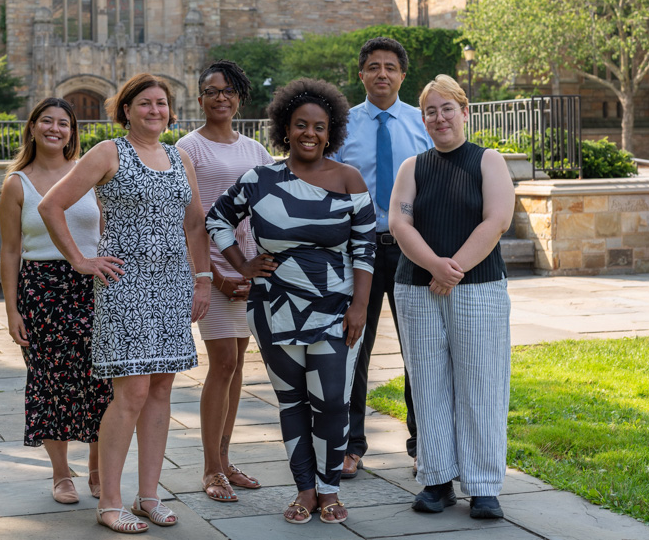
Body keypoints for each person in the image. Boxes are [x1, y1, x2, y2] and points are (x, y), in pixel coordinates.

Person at [38, 74, 212, 534]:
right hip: (125, 286)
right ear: (127, 109)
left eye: (162, 103)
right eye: (145, 104)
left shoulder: (180, 158)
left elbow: (195, 225)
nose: (155, 110)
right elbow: (51, 206)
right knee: (130, 393)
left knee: (160, 391)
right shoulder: (109, 153)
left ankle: (148, 496)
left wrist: (203, 280)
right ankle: (109, 501)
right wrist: (80, 260)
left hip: (173, 285)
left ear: (170, 111)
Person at [206, 77, 375, 525]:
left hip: (335, 309)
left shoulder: (348, 179)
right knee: (292, 400)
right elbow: (217, 219)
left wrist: (359, 306)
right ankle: (304, 488)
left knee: (333, 400)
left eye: (319, 126)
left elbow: (365, 249)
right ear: (285, 127)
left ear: (331, 130)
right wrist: (242, 265)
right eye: (300, 125)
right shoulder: (260, 179)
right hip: (273, 307)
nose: (309, 134)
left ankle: (330, 487)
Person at [388, 74, 515, 520]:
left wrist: (453, 268)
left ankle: (482, 486)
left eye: (446, 109)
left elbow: (496, 219)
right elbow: (400, 224)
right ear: (422, 118)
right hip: (416, 287)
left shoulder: (488, 161)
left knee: (482, 382)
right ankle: (437, 481)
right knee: (426, 383)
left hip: (478, 287)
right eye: (430, 111)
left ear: (464, 112)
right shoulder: (412, 167)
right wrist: (434, 268)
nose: (438, 118)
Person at [0, 97, 112, 506]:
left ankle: (100, 470)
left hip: (92, 285)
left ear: (72, 132)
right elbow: (10, 251)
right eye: (47, 121)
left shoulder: (88, 175)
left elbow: (107, 229)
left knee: (102, 379)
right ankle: (62, 474)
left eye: (64, 123)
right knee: (50, 380)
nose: (55, 129)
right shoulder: (17, 183)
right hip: (41, 288)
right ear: (32, 128)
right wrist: (11, 310)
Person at [331, 36, 432, 479]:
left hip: (412, 250)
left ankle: (423, 444)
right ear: (361, 75)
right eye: (373, 67)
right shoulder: (343, 126)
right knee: (355, 347)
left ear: (402, 75)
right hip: (360, 251)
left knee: (420, 350)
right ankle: (352, 445)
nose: (382, 74)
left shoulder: (422, 122)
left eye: (390, 67)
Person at [177, 61, 273, 503]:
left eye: (229, 90)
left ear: (240, 97)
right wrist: (212, 276)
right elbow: (190, 221)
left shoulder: (255, 151)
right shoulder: (187, 148)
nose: (221, 97)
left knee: (237, 367)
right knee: (222, 366)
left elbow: (269, 211)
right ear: (199, 99)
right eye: (212, 91)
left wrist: (258, 272)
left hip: (251, 272)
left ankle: (225, 457)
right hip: (211, 271)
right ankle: (211, 469)